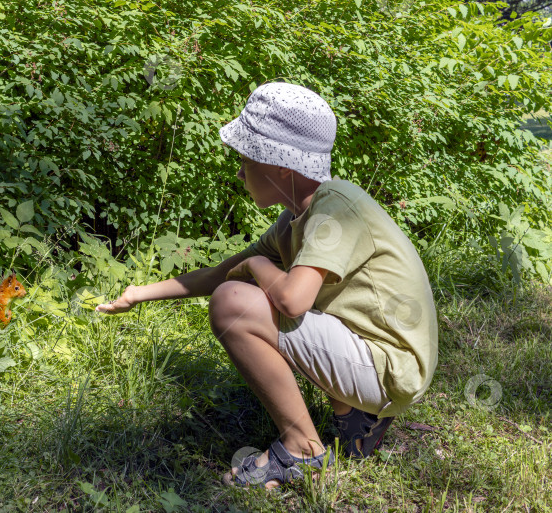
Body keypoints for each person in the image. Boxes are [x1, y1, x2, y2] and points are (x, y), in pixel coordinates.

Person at [95, 82, 438, 490]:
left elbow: (292, 301)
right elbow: (220, 271)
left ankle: (302, 451)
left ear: (279, 166)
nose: (240, 172)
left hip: (392, 369)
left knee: (235, 304)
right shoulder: (295, 219)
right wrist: (139, 293)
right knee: (257, 291)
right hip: (381, 359)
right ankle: (356, 421)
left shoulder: (336, 208)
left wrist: (256, 263)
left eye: (246, 160)